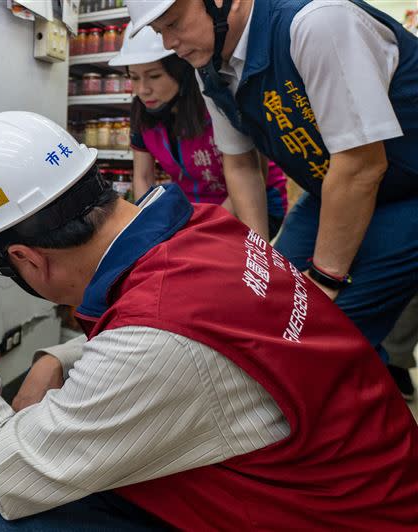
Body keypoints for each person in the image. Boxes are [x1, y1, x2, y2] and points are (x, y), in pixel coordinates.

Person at [0, 111, 417, 530]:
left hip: (334, 518)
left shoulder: (156, 342)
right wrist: (56, 357)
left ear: (28, 258)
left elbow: (4, 473)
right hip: (347, 482)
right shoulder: (203, 226)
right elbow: (197, 347)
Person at [126, 0, 418, 362]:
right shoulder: (210, 67)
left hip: (402, 189)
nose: (169, 43)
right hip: (331, 187)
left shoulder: (315, 23)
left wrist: (325, 281)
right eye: (159, 33)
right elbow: (242, 165)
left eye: (174, 24)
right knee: (269, 305)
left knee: (319, 331)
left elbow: (361, 165)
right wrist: (256, 263)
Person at [114, 23, 288, 237]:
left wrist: (202, 231)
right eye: (134, 77)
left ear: (180, 71)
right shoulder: (143, 113)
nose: (143, 89)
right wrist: (146, 225)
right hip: (192, 213)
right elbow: (143, 177)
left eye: (155, 76)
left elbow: (247, 174)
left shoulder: (215, 102)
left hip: (252, 205)